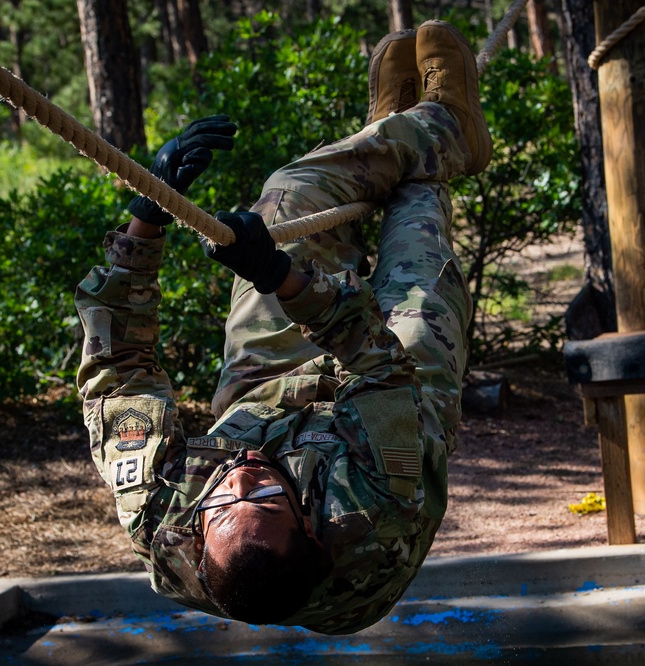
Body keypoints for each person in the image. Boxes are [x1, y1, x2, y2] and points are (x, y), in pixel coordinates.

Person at [74, 20, 489, 635]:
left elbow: (117, 370)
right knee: (415, 213)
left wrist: (148, 217)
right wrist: (281, 278)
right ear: (309, 523)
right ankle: (443, 122)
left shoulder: (162, 520)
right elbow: (378, 362)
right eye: (267, 498)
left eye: (222, 500)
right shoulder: (372, 511)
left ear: (196, 531)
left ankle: (400, 126)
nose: (242, 475)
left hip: (265, 391)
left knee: (287, 195)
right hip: (398, 401)